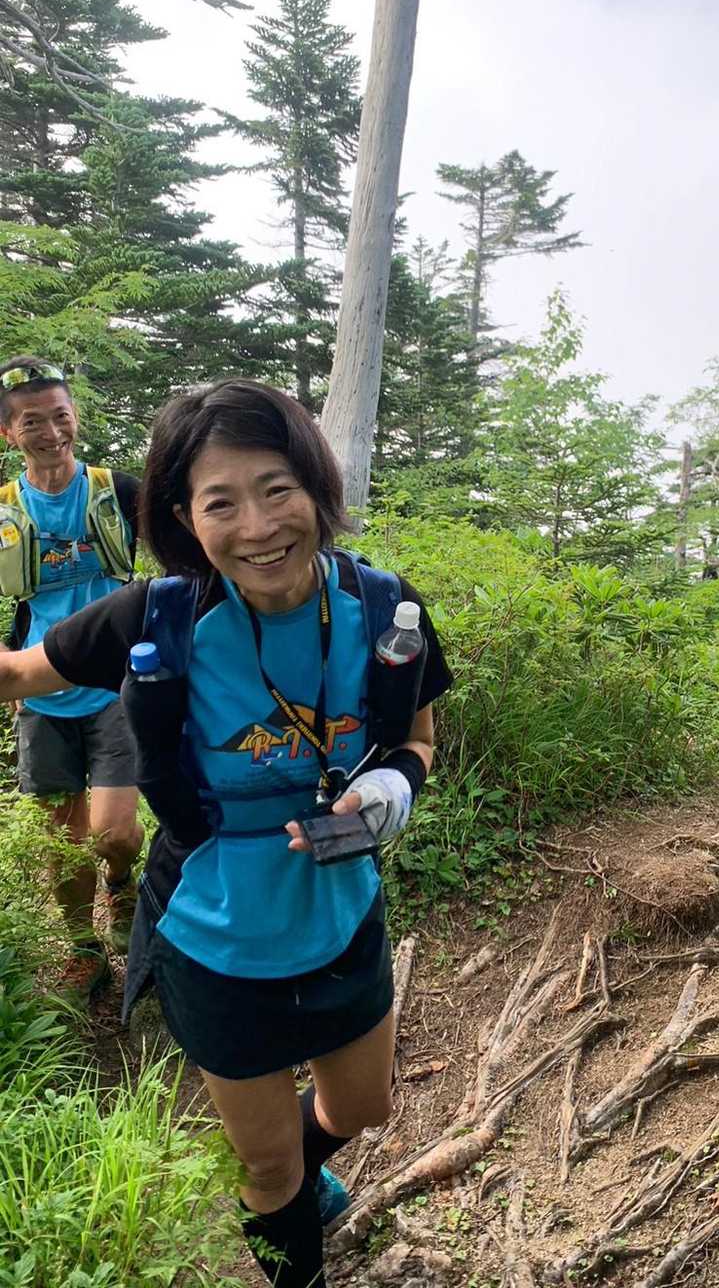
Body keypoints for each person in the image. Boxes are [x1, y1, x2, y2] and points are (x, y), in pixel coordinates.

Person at [0, 379, 451, 1288]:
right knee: (269, 1167)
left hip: (340, 910)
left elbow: (419, 739)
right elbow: (17, 675)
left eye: (278, 488)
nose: (259, 527)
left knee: (362, 1108)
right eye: (221, 503)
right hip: (213, 933)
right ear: (184, 518)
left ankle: (296, 1170)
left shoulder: (382, 607)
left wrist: (396, 785)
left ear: (316, 487)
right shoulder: (156, 618)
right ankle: (290, 1234)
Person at [0, 356, 142, 1004]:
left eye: (60, 416)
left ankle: (123, 884)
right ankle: (85, 949)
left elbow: (186, 552)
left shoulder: (119, 492)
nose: (51, 432)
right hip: (38, 691)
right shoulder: (6, 510)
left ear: (75, 416)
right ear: (9, 433)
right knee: (65, 842)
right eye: (33, 421)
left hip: (116, 686)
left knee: (115, 833)